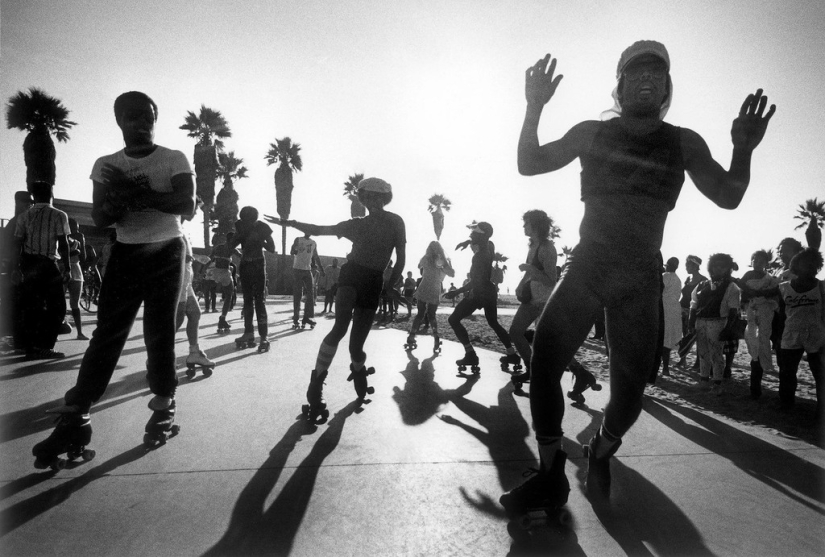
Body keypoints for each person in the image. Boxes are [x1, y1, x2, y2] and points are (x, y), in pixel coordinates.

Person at [499, 41, 774, 514]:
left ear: (667, 88)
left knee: (629, 394)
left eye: (657, 74)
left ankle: (601, 451)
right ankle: (549, 476)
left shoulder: (683, 141)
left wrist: (742, 150)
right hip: (587, 267)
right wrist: (533, 108)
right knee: (543, 361)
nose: (647, 79)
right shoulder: (592, 132)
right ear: (620, 83)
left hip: (639, 277)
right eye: (635, 72)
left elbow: (728, 196)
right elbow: (529, 163)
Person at [32, 91, 197, 467]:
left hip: (167, 250)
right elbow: (102, 218)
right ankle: (77, 415)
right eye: (134, 117)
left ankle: (163, 406)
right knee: (108, 334)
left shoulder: (173, 158)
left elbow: (185, 205)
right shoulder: (105, 164)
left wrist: (130, 191)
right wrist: (124, 198)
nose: (143, 123)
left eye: (149, 117)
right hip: (126, 252)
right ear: (120, 120)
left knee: (160, 333)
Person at [264, 177, 405, 422]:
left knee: (356, 346)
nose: (370, 201)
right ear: (363, 199)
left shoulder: (395, 221)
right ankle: (316, 385)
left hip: (374, 282)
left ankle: (359, 371)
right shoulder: (356, 225)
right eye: (366, 197)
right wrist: (290, 222)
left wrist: (390, 286)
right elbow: (320, 229)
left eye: (374, 197)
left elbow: (401, 257)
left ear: (383, 198)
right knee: (339, 328)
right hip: (352, 276)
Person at [443, 221, 516, 373]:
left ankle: (470, 353)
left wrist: (455, 292)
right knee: (493, 323)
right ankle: (512, 354)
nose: (470, 234)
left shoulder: (479, 256)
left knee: (453, 320)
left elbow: (475, 282)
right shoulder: (490, 247)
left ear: (481, 236)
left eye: (474, 233)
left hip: (479, 293)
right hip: (489, 292)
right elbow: (486, 239)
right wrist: (468, 241)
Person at [11, 181, 71, 359]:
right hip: (46, 263)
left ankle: (29, 347)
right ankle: (45, 346)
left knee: (31, 307)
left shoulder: (24, 216)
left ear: (33, 197)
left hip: (28, 264)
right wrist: (67, 268)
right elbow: (64, 243)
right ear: (51, 194)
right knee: (58, 306)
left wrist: (16, 268)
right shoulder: (59, 214)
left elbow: (17, 244)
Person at [508, 210, 559, 384]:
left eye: (526, 223)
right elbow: (530, 272)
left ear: (536, 225)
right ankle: (531, 369)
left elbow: (551, 280)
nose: (524, 226)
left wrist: (530, 270)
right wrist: (521, 284)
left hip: (544, 302)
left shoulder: (547, 248)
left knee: (546, 344)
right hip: (531, 300)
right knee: (515, 332)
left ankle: (581, 373)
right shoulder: (533, 246)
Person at [776, 248, 824, 417]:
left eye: (811, 264)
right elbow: (781, 315)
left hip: (816, 335)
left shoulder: (821, 286)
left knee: (820, 374)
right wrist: (777, 336)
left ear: (816, 266)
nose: (807, 267)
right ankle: (786, 406)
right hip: (790, 334)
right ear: (795, 266)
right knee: (787, 373)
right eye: (803, 263)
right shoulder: (783, 288)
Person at [688, 254, 741, 394]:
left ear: (728, 268)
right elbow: (693, 304)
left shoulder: (732, 287)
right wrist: (690, 323)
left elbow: (733, 310)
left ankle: (717, 384)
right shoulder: (703, 284)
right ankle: (704, 381)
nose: (718, 269)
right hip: (701, 322)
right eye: (715, 265)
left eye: (722, 266)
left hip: (718, 322)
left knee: (716, 354)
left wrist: (727, 329)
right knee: (703, 353)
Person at [229, 206, 275, 350]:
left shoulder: (262, 227)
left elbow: (272, 248)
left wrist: (259, 240)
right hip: (245, 264)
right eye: (244, 220)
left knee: (259, 300)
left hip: (258, 264)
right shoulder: (240, 226)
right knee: (248, 300)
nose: (246, 222)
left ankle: (263, 337)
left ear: (254, 219)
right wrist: (235, 238)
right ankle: (249, 333)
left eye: (249, 220)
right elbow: (232, 244)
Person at [739, 249, 780, 398]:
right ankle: (756, 360)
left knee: (763, 336)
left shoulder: (768, 278)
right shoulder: (748, 275)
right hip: (752, 309)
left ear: (766, 263)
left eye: (761, 261)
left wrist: (762, 294)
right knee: (752, 336)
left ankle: (762, 361)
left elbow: (773, 291)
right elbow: (743, 290)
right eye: (755, 260)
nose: (757, 263)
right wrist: (753, 294)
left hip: (764, 309)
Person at [176, 235, 216, 376]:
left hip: (186, 281)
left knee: (195, 314)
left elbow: (186, 254)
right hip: (177, 279)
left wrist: (196, 257)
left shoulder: (181, 230)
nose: (194, 212)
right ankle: (157, 356)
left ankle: (194, 352)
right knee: (177, 320)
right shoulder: (169, 225)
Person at [405, 241, 454, 352]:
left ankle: (411, 336)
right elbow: (452, 274)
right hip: (435, 288)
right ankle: (436, 337)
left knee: (420, 314)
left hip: (424, 286)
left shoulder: (426, 258)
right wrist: (447, 264)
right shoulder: (442, 261)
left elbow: (419, 266)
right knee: (431, 315)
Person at [0, 191, 32, 351]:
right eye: (26, 202)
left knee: (18, 306)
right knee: (18, 306)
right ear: (18, 203)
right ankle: (18, 341)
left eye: (30, 202)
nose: (29, 205)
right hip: (16, 270)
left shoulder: (18, 222)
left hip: (17, 270)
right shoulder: (16, 223)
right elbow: (10, 249)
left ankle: (17, 339)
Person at [677, 255, 707, 367]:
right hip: (683, 310)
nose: (685, 267)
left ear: (695, 266)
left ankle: (698, 362)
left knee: (697, 336)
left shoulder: (703, 280)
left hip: (694, 311)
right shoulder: (688, 279)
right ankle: (683, 359)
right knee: (685, 335)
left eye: (687, 265)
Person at [210, 232, 240, 332]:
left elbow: (209, 259)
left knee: (212, 291)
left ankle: (222, 318)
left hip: (215, 271)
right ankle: (222, 318)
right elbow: (242, 257)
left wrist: (202, 271)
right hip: (225, 273)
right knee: (229, 296)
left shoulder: (218, 247)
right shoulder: (232, 248)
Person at [291, 232, 322, 328]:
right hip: (297, 269)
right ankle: (296, 318)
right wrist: (295, 249)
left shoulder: (313, 242)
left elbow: (315, 256)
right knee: (298, 294)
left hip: (307, 270)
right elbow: (292, 252)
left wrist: (321, 268)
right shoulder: (298, 239)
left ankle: (308, 317)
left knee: (310, 294)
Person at [66, 218, 89, 340]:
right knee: (61, 303)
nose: (77, 229)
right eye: (75, 226)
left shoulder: (78, 238)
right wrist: (75, 251)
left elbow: (83, 255)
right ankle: (57, 331)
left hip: (74, 268)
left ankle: (80, 332)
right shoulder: (61, 237)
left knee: (74, 303)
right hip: (65, 268)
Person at [659, 257, 683, 375]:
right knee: (668, 339)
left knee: (661, 338)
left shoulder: (664, 276)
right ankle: (666, 368)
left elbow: (659, 290)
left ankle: (662, 368)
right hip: (674, 310)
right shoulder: (678, 279)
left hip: (664, 308)